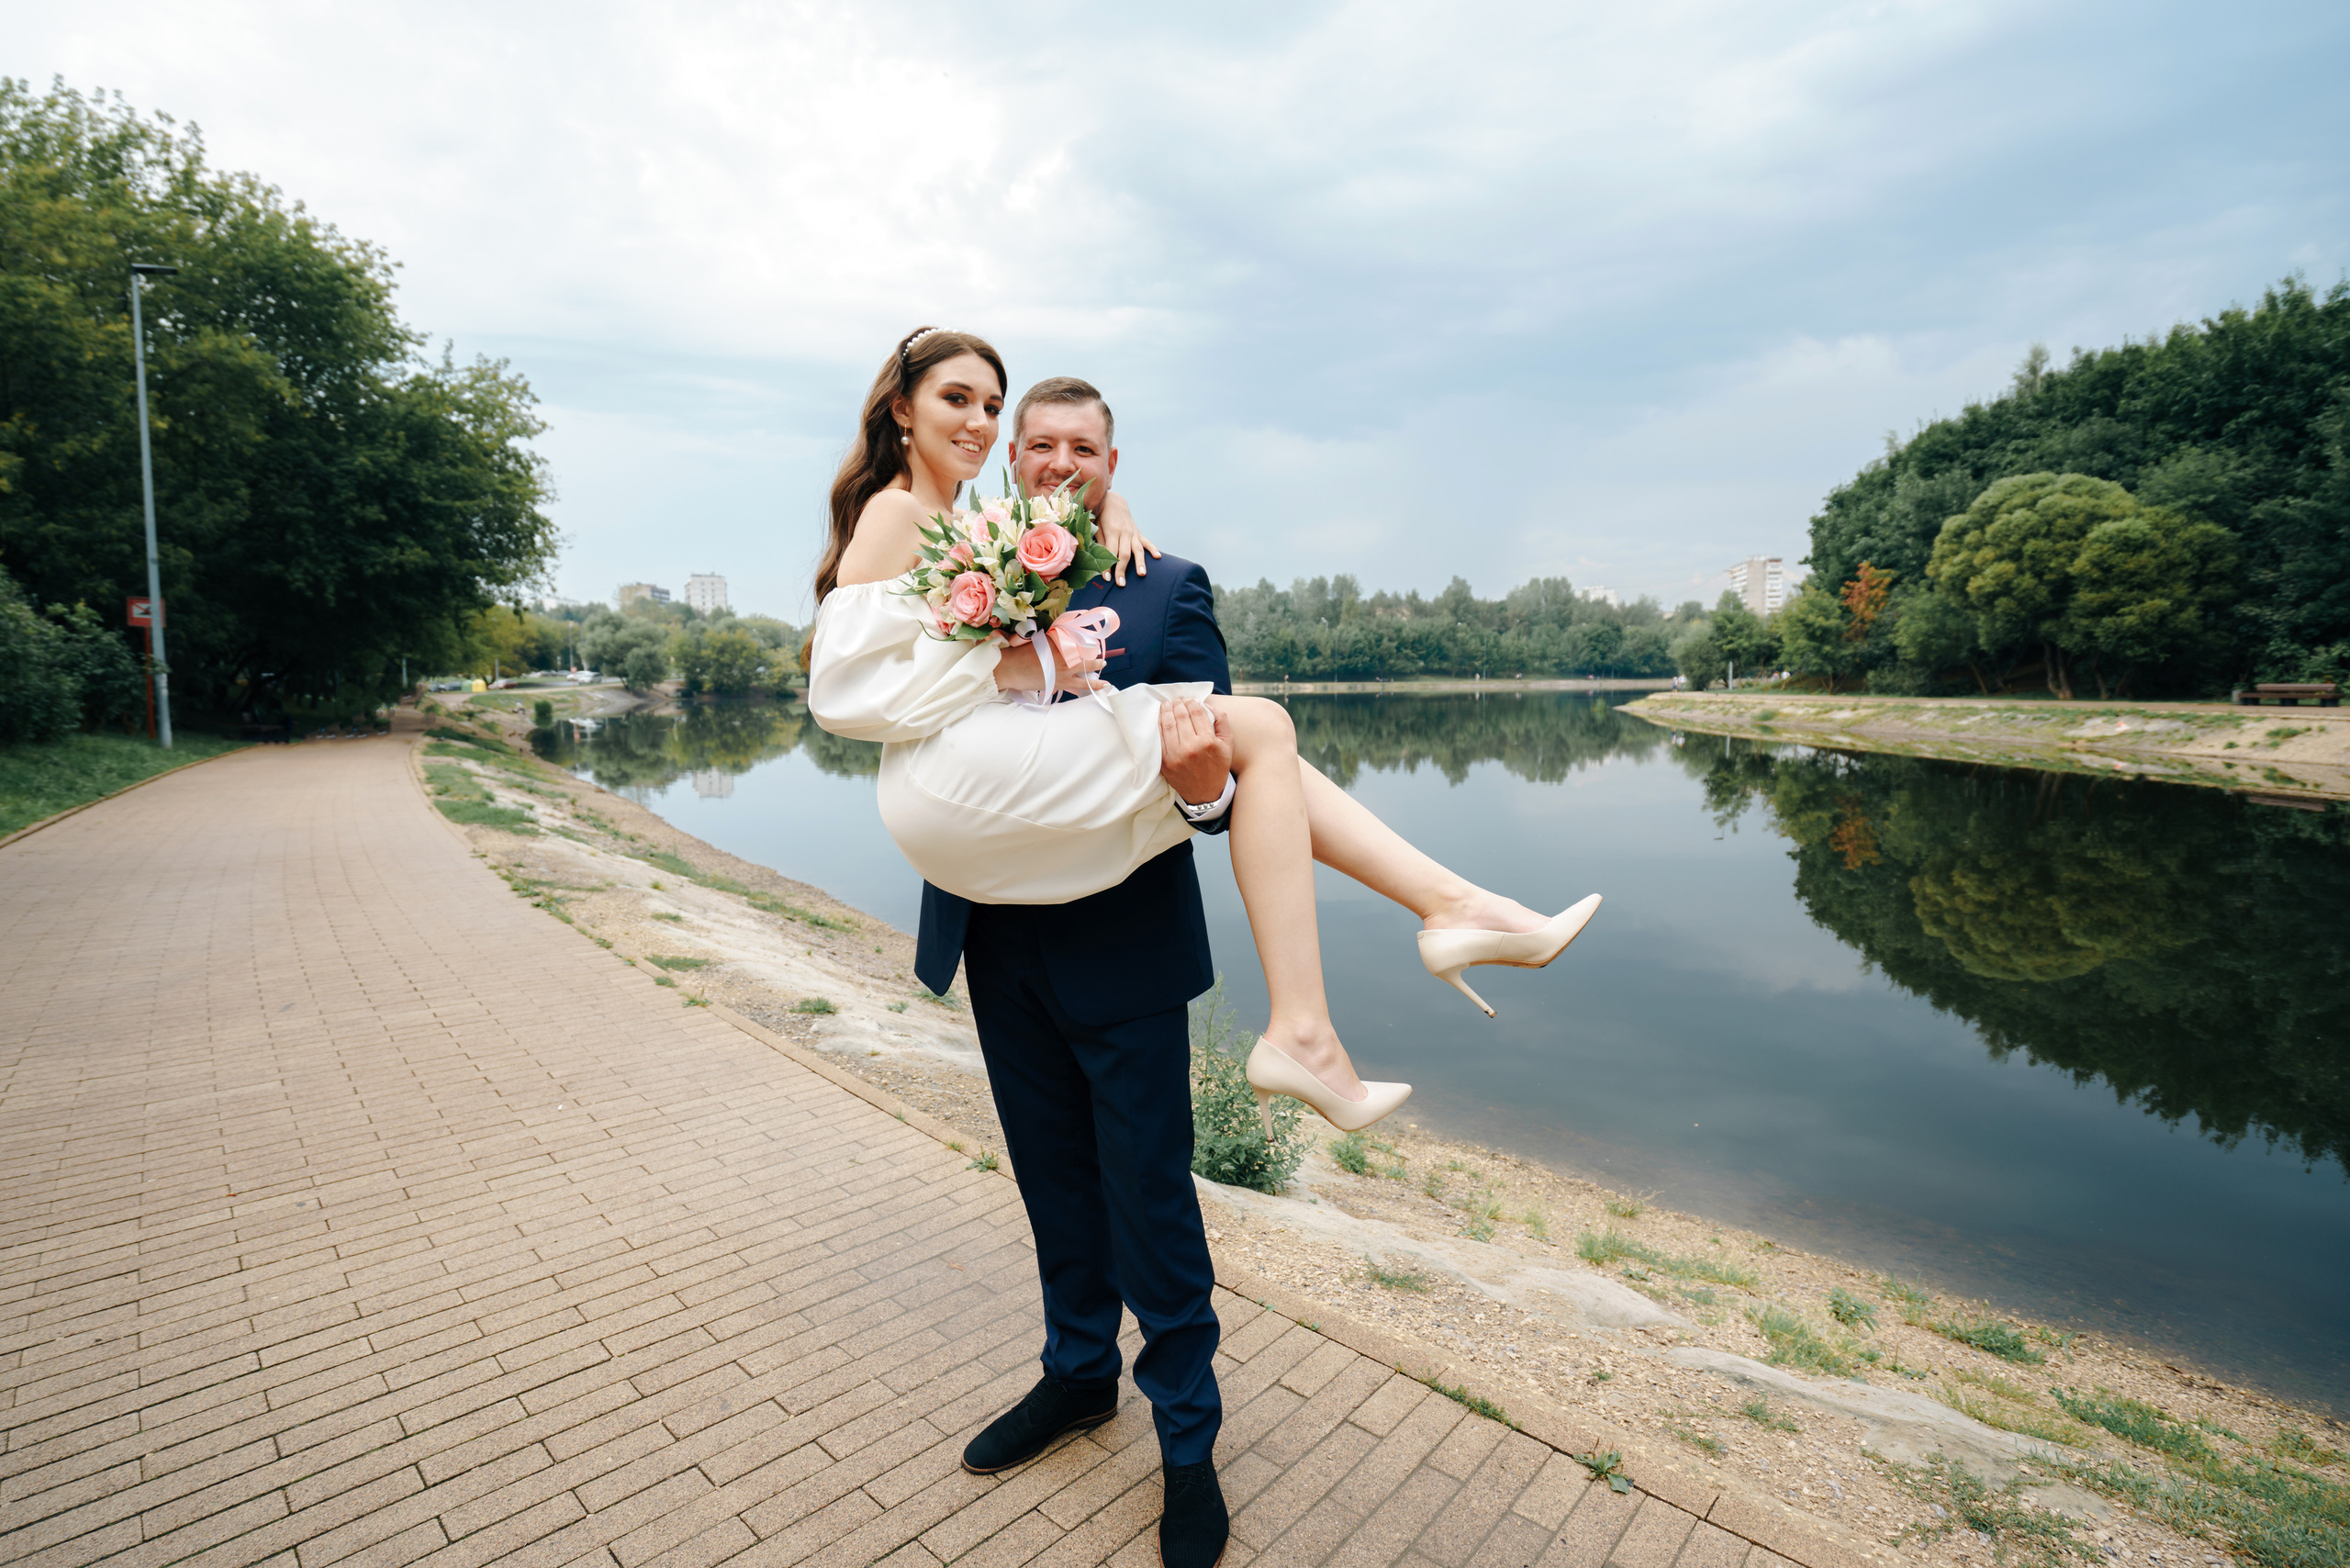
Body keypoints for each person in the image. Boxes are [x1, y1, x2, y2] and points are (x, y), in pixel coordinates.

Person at [806, 328, 1599, 1568]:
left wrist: (1198, 782)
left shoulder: (1164, 585)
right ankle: (1077, 1378)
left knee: (1151, 1206)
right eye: (1038, 445)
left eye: (1085, 449)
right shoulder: (980, 551)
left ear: (1114, 462)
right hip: (998, 936)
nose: (1060, 463)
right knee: (1052, 1186)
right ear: (1010, 459)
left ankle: (1188, 1445)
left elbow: (1229, 796)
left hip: (1121, 951)